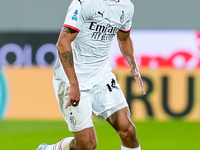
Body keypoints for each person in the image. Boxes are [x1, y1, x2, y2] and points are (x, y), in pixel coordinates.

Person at [37, 0, 146, 149]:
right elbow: (63, 43)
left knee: (129, 131)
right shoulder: (84, 3)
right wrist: (74, 85)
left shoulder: (126, 7)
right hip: (73, 78)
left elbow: (124, 38)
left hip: (101, 76)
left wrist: (133, 65)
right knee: (87, 145)